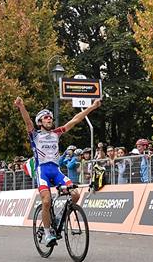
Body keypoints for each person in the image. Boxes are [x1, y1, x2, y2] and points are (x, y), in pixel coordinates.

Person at [14, 96, 101, 246]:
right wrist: (21, 106)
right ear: (40, 122)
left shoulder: (56, 133)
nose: (49, 119)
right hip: (42, 171)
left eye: (50, 117)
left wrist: (92, 107)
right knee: (46, 201)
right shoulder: (35, 135)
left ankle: (60, 217)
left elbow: (75, 120)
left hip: (56, 171)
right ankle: (47, 233)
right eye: (46, 118)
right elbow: (28, 122)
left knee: (75, 194)